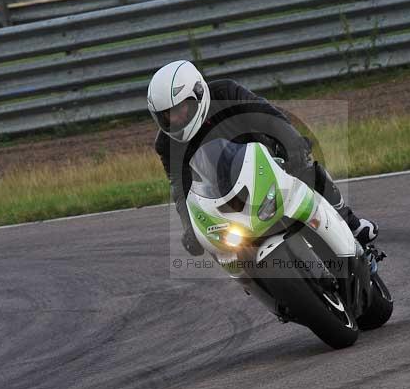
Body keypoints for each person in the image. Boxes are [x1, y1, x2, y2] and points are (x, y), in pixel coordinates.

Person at [147, 60, 378, 256]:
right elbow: (180, 188)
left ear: (197, 94)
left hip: (269, 162)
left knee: (307, 169)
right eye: (167, 115)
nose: (175, 118)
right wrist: (189, 228)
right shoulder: (166, 144)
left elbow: (267, 116)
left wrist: (293, 142)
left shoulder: (225, 93)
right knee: (221, 246)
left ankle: (351, 224)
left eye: (180, 109)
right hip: (223, 196)